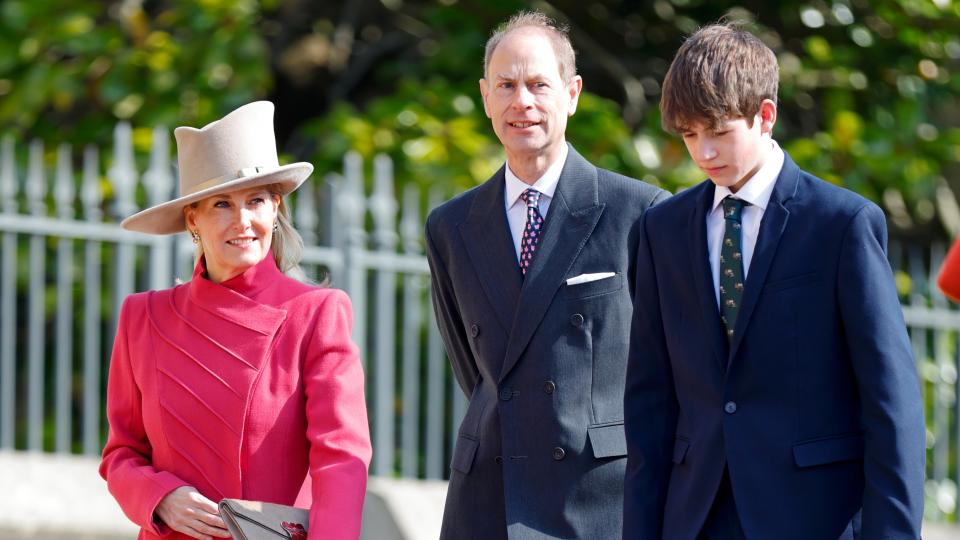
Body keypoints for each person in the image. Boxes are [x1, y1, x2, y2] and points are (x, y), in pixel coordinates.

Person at [623, 24, 925, 539]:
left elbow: (891, 403)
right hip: (693, 517)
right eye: (689, 134)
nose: (703, 153)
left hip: (813, 517)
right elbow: (650, 402)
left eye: (718, 131)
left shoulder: (842, 224)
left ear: (765, 115)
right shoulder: (660, 230)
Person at [425, 11, 668, 540]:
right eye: (507, 85)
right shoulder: (450, 226)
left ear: (573, 93)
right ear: (486, 96)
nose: (522, 102)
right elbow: (476, 371)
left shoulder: (640, 211)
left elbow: (666, 369)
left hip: (599, 496)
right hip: (489, 493)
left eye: (538, 84)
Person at [99, 101, 371, 540]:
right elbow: (121, 455)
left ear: (275, 209)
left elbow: (341, 458)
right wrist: (159, 497)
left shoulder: (317, 313)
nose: (243, 221)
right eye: (222, 204)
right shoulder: (142, 317)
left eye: (257, 201)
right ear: (193, 219)